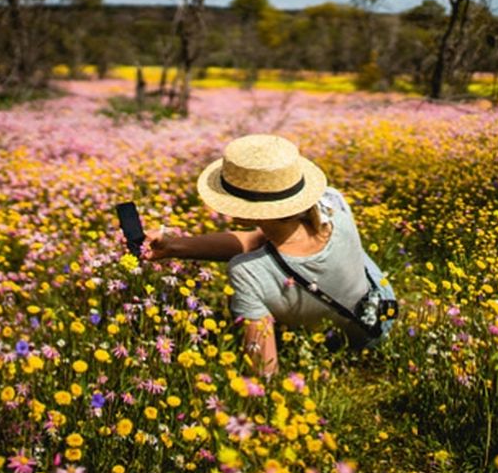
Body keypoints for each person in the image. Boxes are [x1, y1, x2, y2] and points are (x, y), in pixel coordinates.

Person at [142, 134, 396, 377]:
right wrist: (173, 248)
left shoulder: (248, 272)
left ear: (247, 212)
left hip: (344, 344)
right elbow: (256, 241)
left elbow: (264, 368)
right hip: (382, 309)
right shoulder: (332, 203)